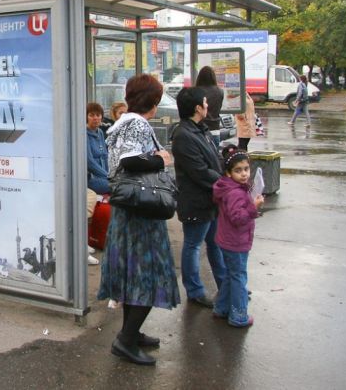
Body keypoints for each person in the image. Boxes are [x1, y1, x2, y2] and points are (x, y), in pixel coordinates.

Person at [98, 74, 180, 366]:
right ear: (153, 101)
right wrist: (161, 159)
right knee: (147, 275)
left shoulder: (123, 122)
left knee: (131, 275)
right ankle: (125, 340)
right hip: (141, 214)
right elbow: (129, 161)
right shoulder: (137, 123)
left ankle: (131, 333)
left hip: (129, 210)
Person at [171, 87, 226, 308]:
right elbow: (200, 171)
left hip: (211, 199)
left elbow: (214, 160)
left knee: (216, 244)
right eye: (205, 102)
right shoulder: (183, 135)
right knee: (193, 245)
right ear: (197, 108)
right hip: (196, 201)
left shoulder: (200, 130)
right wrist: (225, 184)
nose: (207, 105)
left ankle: (226, 285)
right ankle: (194, 291)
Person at [212, 145, 264, 327]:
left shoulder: (231, 188)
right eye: (238, 170)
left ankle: (221, 308)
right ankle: (239, 315)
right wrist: (253, 207)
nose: (244, 174)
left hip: (228, 240)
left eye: (246, 169)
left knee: (231, 274)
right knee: (239, 278)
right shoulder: (235, 192)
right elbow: (238, 218)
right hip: (236, 242)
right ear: (228, 173)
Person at [195, 66, 224, 149]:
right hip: (215, 129)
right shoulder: (220, 91)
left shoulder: (196, 91)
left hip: (199, 129)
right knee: (213, 155)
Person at [86, 102, 110, 195]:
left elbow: (105, 156)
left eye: (98, 115)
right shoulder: (83, 133)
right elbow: (89, 162)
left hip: (103, 176)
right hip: (91, 178)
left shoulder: (100, 132)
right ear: (86, 117)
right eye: (91, 115)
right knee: (117, 186)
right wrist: (108, 176)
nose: (95, 118)